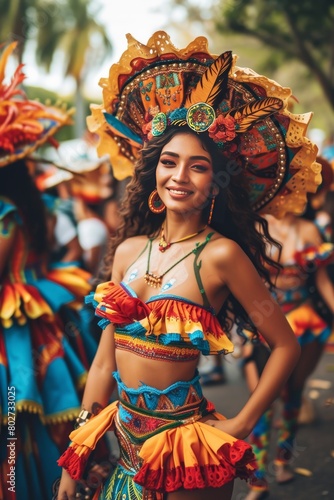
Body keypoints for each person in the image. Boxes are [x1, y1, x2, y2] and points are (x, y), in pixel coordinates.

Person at [57, 31, 321, 500]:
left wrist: (242, 422)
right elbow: (102, 364)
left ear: (216, 184)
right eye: (170, 162)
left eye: (198, 167)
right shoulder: (126, 251)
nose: (180, 177)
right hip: (122, 444)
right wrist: (76, 457)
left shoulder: (221, 255)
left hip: (186, 454)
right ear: (154, 171)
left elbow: (284, 345)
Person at [0, 42, 104, 500]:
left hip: (14, 322)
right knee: (25, 418)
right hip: (37, 312)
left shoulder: (6, 213)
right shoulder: (37, 206)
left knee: (14, 414)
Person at [244, 210, 334, 499]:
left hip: (304, 319)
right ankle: (258, 478)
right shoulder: (255, 226)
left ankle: (283, 460)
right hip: (267, 319)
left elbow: (321, 281)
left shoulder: (309, 230)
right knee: (263, 398)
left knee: (293, 392)